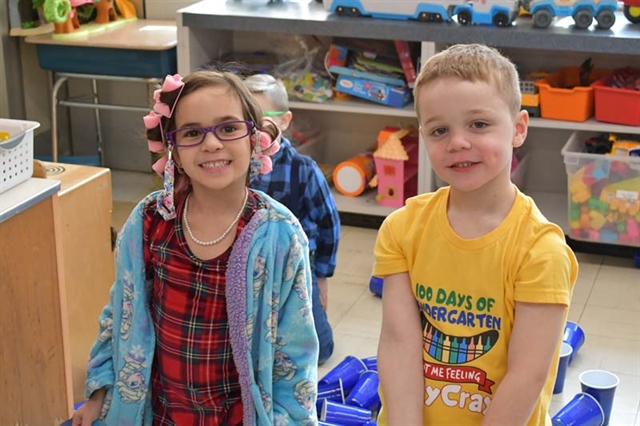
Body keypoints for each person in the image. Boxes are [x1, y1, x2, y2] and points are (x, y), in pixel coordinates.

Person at [72, 71, 319, 426]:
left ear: (255, 138)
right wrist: (100, 393)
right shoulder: (149, 222)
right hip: (160, 415)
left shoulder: (280, 236)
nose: (212, 144)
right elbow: (119, 316)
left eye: (228, 128)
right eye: (191, 133)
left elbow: (295, 357)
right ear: (172, 150)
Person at [374, 44, 578, 425]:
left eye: (479, 124)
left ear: (518, 129)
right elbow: (400, 344)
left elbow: (526, 374)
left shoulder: (540, 251)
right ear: (424, 137)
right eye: (439, 130)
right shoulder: (401, 229)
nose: (458, 142)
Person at [244, 74, 341, 365]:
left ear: (284, 121)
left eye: (261, 121)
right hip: (245, 268)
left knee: (321, 351)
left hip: (295, 267)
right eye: (243, 121)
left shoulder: (303, 169)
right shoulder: (233, 165)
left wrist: (322, 276)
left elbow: (328, 224)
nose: (252, 132)